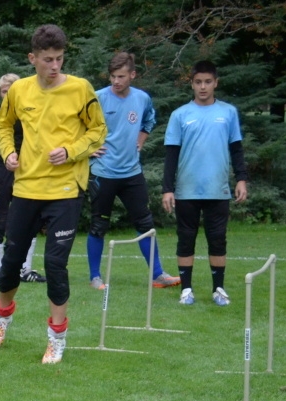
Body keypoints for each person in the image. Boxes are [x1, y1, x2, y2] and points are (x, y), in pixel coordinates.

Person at [0, 24, 106, 364]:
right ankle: (3, 317)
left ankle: (56, 337)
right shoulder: (19, 90)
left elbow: (98, 132)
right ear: (32, 58)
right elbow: (2, 124)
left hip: (67, 190)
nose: (54, 67)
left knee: (55, 264)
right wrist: (9, 151)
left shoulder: (81, 89)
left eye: (59, 59)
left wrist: (71, 150)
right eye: (48, 60)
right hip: (26, 187)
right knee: (11, 263)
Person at [86, 52, 179, 290]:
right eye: (113, 76)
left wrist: (141, 140)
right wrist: (88, 149)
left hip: (131, 173)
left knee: (146, 223)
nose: (116, 81)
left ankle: (158, 275)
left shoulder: (142, 99)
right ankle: (95, 277)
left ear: (133, 75)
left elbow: (149, 121)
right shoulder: (97, 98)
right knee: (98, 225)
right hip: (102, 172)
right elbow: (75, 126)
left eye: (121, 76)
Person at [162, 60, 248, 307]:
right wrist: (167, 189)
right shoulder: (180, 115)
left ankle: (218, 289)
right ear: (192, 83)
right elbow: (171, 155)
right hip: (187, 191)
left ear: (215, 83)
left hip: (218, 190)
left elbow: (236, 149)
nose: (203, 87)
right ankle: (186, 289)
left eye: (207, 82)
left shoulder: (228, 112)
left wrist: (241, 179)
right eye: (198, 82)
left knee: (218, 239)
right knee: (185, 240)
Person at [0, 72, 44, 285]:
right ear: (0, 94)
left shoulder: (29, 115)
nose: (8, 95)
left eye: (11, 91)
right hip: (0, 173)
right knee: (0, 221)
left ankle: (25, 270)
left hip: (27, 173)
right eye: (4, 92)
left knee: (30, 220)